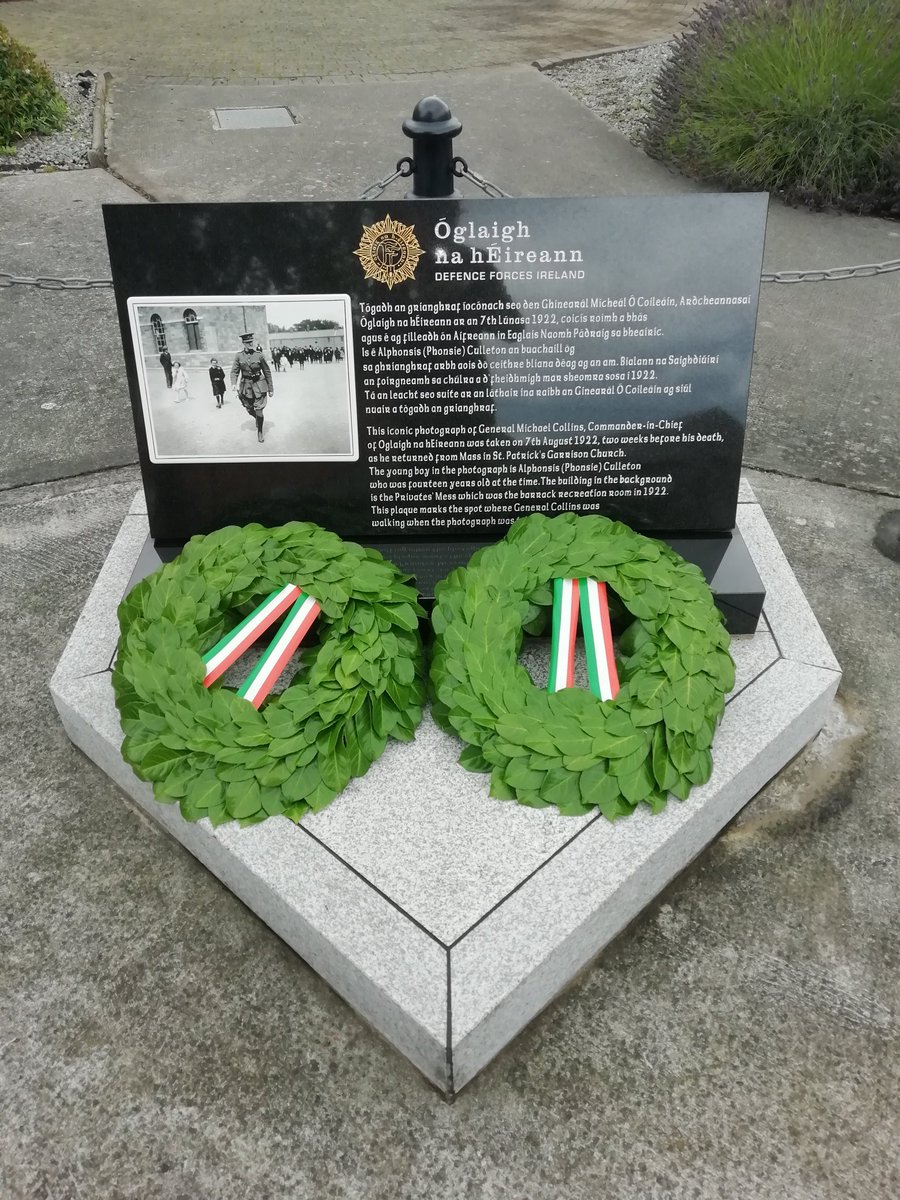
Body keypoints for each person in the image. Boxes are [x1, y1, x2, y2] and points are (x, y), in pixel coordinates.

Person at [230, 331, 273, 443]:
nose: (250, 344)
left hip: (259, 385)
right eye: (247, 342)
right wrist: (233, 383)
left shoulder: (259, 355)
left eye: (251, 342)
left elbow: (267, 371)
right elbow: (234, 371)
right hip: (246, 386)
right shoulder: (239, 356)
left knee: (259, 410)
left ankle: (260, 431)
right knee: (249, 409)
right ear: (243, 343)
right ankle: (257, 419)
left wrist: (271, 388)